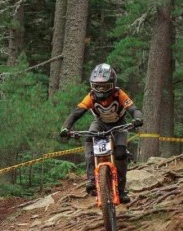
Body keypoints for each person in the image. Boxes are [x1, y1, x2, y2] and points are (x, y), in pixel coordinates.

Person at [59, 63, 143, 203]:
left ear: (112, 84)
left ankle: (121, 191)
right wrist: (66, 127)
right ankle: (92, 179)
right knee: (89, 139)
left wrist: (138, 118)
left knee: (121, 154)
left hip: (119, 124)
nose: (101, 90)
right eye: (97, 86)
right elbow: (76, 113)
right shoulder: (91, 97)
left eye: (105, 86)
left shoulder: (119, 94)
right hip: (99, 123)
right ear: (92, 86)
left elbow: (133, 109)